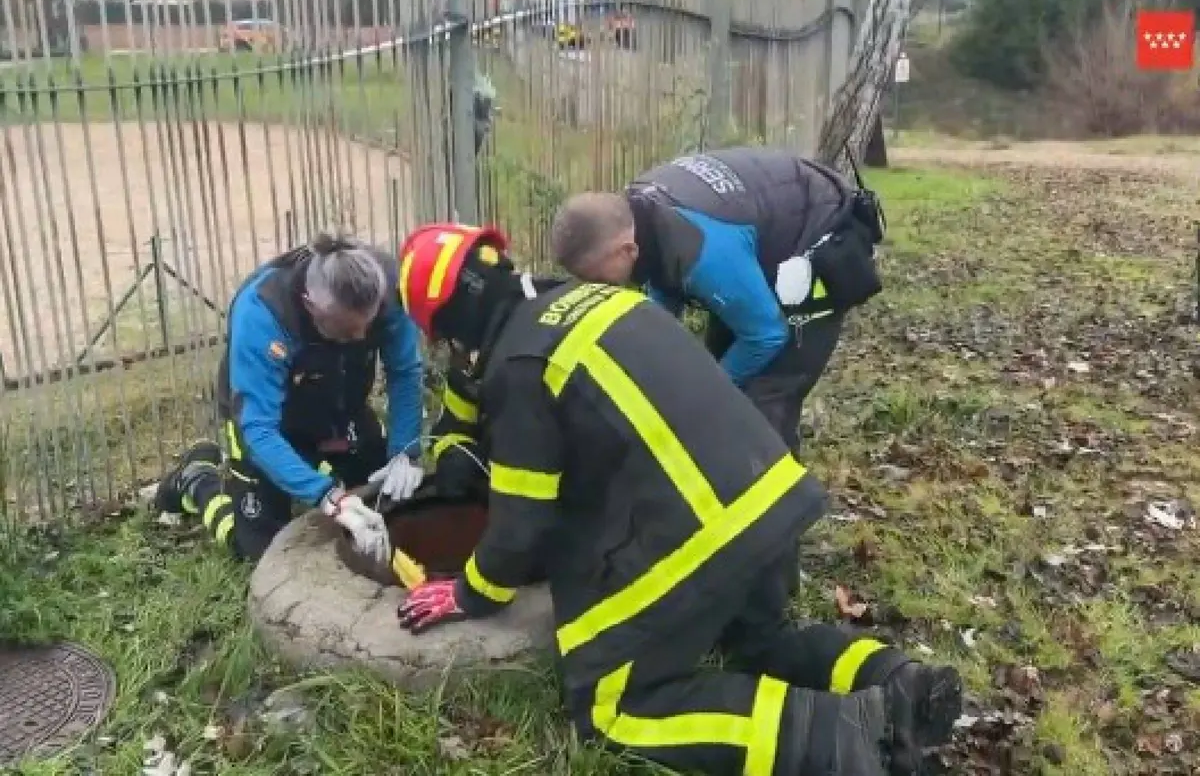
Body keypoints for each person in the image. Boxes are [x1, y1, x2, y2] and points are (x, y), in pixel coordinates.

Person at [392, 221, 961, 776]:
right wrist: (452, 450)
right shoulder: (592, 299)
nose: (450, 350)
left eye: (444, 337)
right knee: (758, 641)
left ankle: (853, 739)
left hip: (701, 532)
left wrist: (471, 592)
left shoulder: (519, 364)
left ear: (455, 319)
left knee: (614, 709)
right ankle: (900, 683)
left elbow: (521, 524)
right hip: (768, 498)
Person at [549, 147, 886, 456]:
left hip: (819, 232)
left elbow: (766, 334)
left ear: (627, 250)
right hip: (751, 236)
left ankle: (778, 494)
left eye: (598, 278)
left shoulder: (705, 253)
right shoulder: (636, 217)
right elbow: (662, 301)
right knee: (719, 361)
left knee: (762, 402)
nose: (597, 288)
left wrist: (705, 395)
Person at [151, 232, 426, 565]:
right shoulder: (262, 314)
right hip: (269, 421)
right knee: (263, 555)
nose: (361, 337)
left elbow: (405, 371)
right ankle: (197, 480)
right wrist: (329, 497)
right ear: (310, 305)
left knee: (392, 507)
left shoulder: (387, 288)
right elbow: (258, 429)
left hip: (341, 408)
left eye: (368, 324)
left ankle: (322, 465)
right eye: (345, 330)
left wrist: (405, 451)